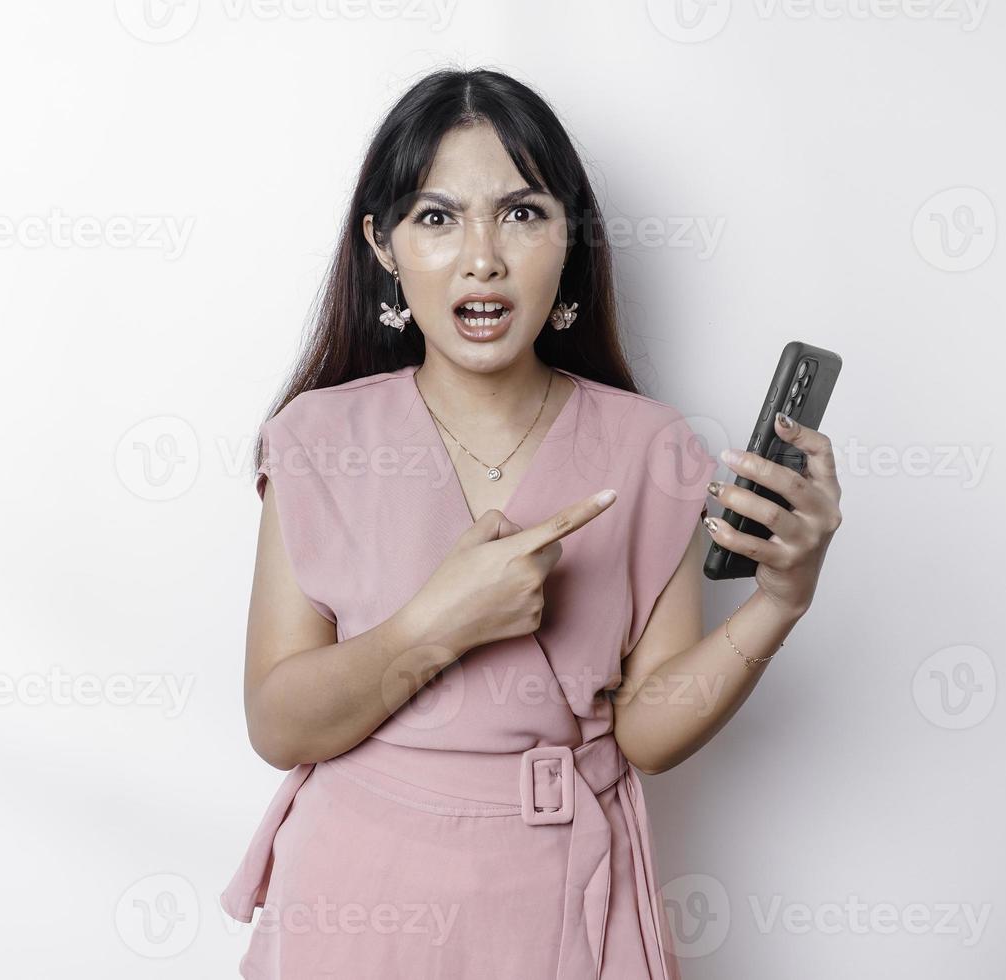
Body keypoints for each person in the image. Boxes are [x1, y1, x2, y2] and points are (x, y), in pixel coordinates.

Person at [221, 67, 843, 979]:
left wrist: (781, 600)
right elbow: (280, 726)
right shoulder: (320, 438)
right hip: (357, 902)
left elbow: (648, 735)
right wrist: (440, 622)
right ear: (383, 246)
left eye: (522, 213)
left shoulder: (652, 447)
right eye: (437, 218)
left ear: (570, 241)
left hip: (559, 897)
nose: (483, 257)